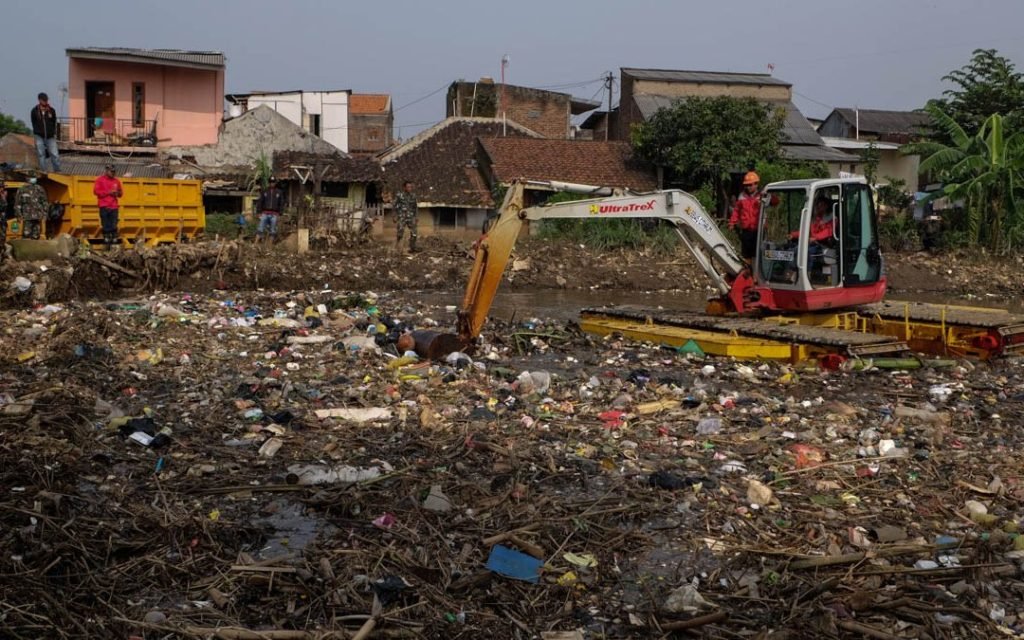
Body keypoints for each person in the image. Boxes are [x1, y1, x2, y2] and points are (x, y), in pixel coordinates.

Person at [728, 171, 761, 262]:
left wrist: (770, 196)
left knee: (758, 252)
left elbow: (775, 202)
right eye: (747, 185)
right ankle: (748, 271)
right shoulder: (742, 196)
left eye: (750, 185)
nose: (748, 187)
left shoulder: (762, 196)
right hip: (746, 230)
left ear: (756, 184)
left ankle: (756, 272)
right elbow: (736, 211)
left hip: (759, 230)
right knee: (746, 253)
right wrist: (732, 222)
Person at [93, 164, 123, 248]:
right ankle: (106, 239)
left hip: (114, 206)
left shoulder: (116, 181)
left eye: (114, 171)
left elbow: (121, 193)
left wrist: (117, 193)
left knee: (114, 224)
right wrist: (108, 192)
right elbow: (96, 192)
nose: (113, 173)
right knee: (105, 224)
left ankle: (114, 239)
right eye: (111, 171)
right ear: (106, 171)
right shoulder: (100, 180)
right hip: (104, 205)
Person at [30, 93, 61, 173]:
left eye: (46, 100)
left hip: (50, 136)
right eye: (44, 100)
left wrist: (52, 132)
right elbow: (33, 122)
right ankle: (43, 171)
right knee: (41, 154)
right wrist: (37, 132)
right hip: (39, 135)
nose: (45, 102)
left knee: (55, 154)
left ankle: (57, 170)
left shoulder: (51, 110)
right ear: (40, 100)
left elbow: (54, 122)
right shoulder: (34, 111)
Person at [16, 176, 49, 240]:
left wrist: (45, 215)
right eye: (32, 177)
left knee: (36, 236)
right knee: (26, 236)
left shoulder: (40, 189)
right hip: (27, 217)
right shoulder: (22, 189)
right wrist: (19, 215)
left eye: (34, 177)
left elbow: (45, 202)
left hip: (37, 217)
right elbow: (18, 204)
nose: (34, 179)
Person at [255, 178, 285, 243]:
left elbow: (281, 203)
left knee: (273, 230)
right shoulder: (264, 191)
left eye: (273, 182)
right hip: (265, 213)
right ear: (269, 183)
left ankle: (270, 246)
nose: (272, 183)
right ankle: (255, 244)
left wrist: (280, 213)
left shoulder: (279, 192)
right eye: (271, 182)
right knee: (260, 228)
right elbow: (260, 202)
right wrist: (258, 212)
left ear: (275, 183)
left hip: (274, 214)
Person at [393, 180, 419, 252]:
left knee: (414, 232)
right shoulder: (399, 195)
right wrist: (394, 216)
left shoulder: (413, 196)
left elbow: (415, 207)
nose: (409, 188)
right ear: (404, 187)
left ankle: (412, 247)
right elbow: (394, 206)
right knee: (400, 232)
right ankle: (398, 247)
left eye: (411, 187)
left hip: (410, 217)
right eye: (408, 187)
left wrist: (416, 216)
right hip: (402, 217)